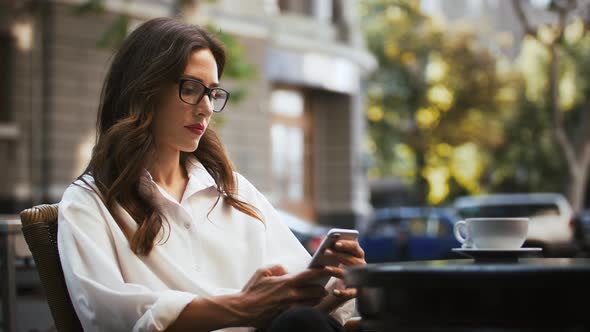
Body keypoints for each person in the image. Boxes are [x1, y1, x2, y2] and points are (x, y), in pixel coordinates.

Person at [57, 17, 366, 332]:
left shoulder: (232, 189)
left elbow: (295, 301)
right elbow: (107, 317)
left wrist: (336, 286)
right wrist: (245, 306)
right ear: (143, 90)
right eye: (190, 89)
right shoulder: (88, 203)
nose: (205, 107)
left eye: (213, 93)